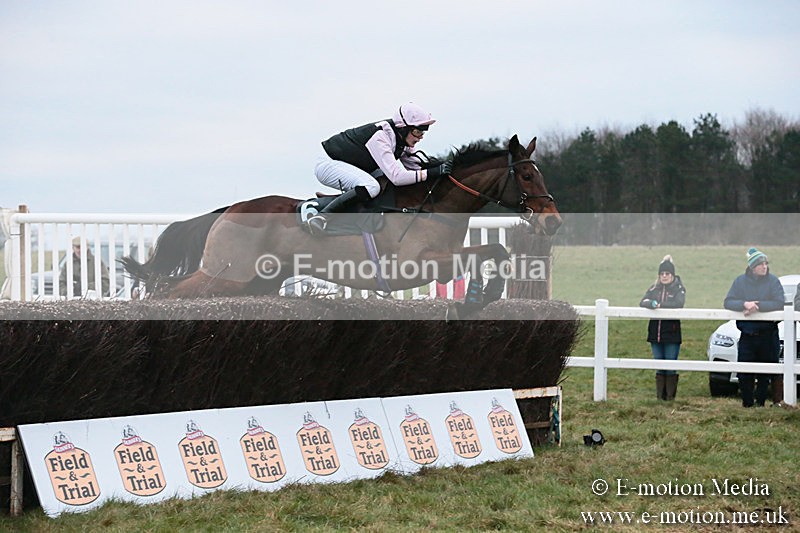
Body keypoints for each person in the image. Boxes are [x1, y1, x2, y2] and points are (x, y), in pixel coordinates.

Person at [306, 102, 451, 234]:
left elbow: (415, 168)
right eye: (417, 132)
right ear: (404, 128)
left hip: (352, 165)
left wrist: (441, 169)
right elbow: (398, 177)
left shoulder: (401, 140)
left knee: (383, 182)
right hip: (329, 164)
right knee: (372, 186)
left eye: (423, 132)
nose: (420, 137)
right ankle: (321, 217)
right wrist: (431, 172)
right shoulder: (380, 137)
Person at [723, 247, 785, 407]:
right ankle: (747, 404)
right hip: (748, 334)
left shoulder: (773, 281)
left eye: (765, 263)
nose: (764, 266)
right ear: (752, 267)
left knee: (765, 373)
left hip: (768, 334)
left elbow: (779, 302)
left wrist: (759, 306)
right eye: (760, 264)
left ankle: (761, 403)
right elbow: (728, 301)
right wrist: (744, 303)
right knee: (745, 372)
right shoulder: (740, 282)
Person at [639, 255, 686, 401]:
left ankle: (670, 397)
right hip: (655, 333)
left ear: (672, 275)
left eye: (667, 274)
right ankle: (660, 397)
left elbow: (678, 303)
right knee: (659, 365)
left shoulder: (679, 289)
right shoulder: (654, 288)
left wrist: (660, 305)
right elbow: (643, 301)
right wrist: (651, 303)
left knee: (670, 365)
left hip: (671, 333)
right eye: (662, 274)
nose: (664, 276)